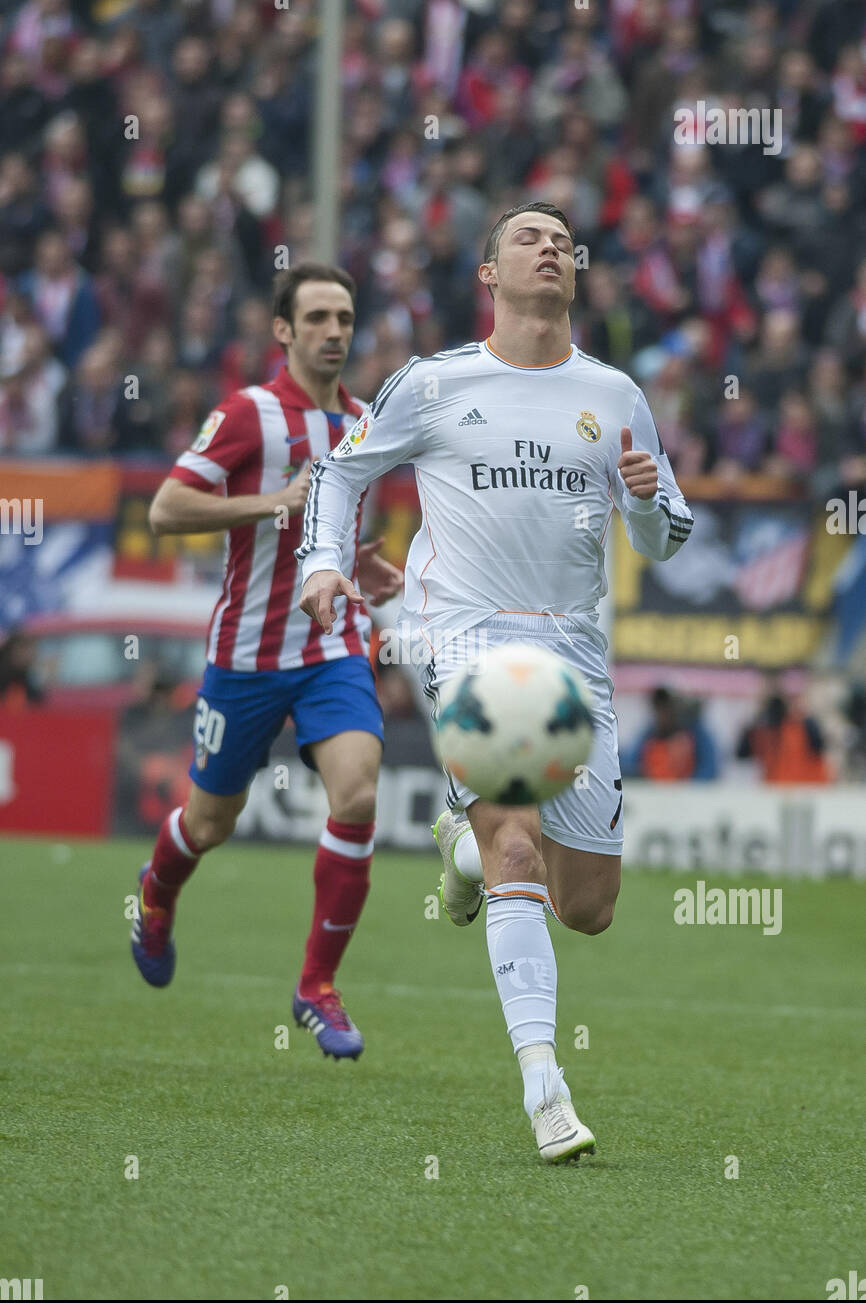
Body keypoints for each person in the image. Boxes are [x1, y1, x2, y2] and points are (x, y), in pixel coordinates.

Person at [297, 203, 693, 1160]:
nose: (551, 248)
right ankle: (545, 1088)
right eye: (528, 237)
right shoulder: (433, 384)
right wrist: (321, 561)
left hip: (575, 650)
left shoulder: (615, 394)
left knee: (588, 906)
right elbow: (343, 475)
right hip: (465, 635)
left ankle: (463, 851)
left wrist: (644, 502)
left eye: (562, 240)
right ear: (489, 274)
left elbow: (669, 536)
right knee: (517, 837)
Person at [131, 262, 403, 1060]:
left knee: (356, 791)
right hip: (245, 658)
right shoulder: (249, 414)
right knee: (211, 821)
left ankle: (316, 986)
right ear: (283, 331)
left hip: (331, 649)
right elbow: (164, 508)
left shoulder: (365, 423)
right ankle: (156, 894)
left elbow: (338, 529)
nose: (334, 333)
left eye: (345, 319)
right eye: (317, 317)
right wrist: (269, 502)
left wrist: (366, 567)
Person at [625, 686, 717, 780]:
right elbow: (631, 764)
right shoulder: (650, 733)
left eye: (668, 706)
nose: (663, 713)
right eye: (659, 707)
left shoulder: (695, 733)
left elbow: (709, 770)